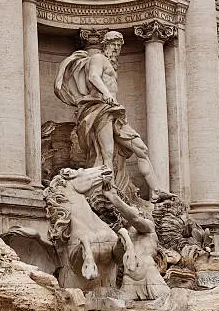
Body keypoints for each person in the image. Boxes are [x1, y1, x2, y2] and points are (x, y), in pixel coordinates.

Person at [54, 30, 168, 201]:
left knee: (141, 149)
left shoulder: (112, 65)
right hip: (100, 109)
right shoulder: (98, 58)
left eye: (119, 46)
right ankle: (109, 192)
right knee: (107, 152)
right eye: (113, 44)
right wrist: (106, 93)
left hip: (114, 111)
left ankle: (157, 191)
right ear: (105, 44)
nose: (116, 48)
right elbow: (93, 76)